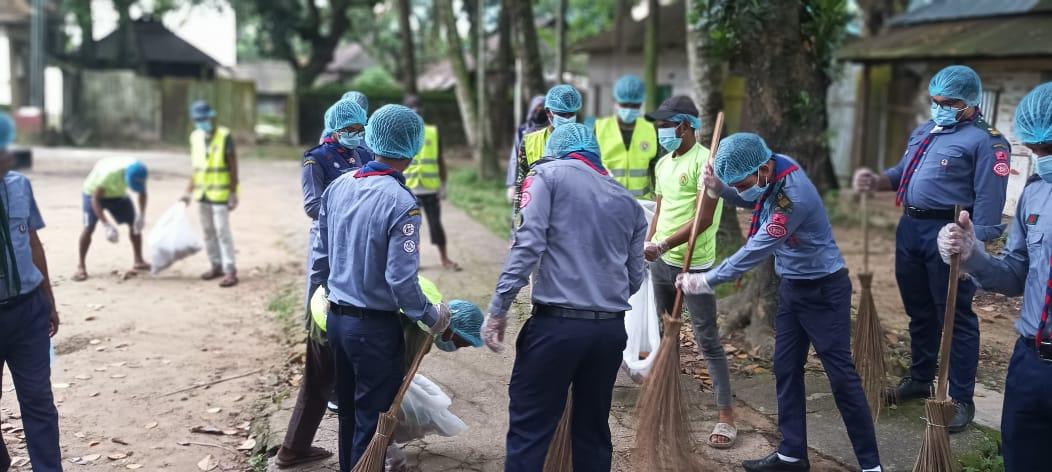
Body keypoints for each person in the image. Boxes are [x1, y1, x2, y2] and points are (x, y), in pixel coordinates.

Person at [678, 133, 882, 472]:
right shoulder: (772, 170)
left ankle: (871, 466)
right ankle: (792, 455)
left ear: (761, 169)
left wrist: (707, 280)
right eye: (736, 185)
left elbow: (756, 248)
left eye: (742, 184)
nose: (741, 190)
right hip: (793, 289)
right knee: (786, 369)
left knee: (842, 379)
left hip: (824, 292)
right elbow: (754, 200)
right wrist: (719, 188)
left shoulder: (793, 198)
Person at [482, 123, 648, 472]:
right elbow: (634, 278)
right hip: (609, 334)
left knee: (530, 431)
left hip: (556, 329)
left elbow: (527, 246)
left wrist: (498, 309)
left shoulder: (546, 176)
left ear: (555, 149)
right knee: (592, 432)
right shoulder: (628, 202)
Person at [852, 65, 1010, 432]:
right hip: (910, 228)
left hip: (949, 232)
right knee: (919, 310)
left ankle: (961, 399)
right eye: (935, 101)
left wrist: (973, 249)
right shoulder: (926, 130)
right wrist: (877, 180)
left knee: (955, 317)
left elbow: (990, 200)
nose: (940, 107)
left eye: (949, 103)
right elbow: (903, 173)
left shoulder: (987, 142)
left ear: (970, 101)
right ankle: (921, 379)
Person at [311, 104, 451, 471]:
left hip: (337, 321)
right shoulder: (401, 202)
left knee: (348, 414)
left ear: (371, 139)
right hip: (373, 330)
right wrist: (432, 317)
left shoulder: (339, 186)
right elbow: (401, 280)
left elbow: (320, 255)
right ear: (413, 148)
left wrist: (329, 293)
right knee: (372, 423)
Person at [936, 82, 1052, 471]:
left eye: (1050, 148)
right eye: (1037, 150)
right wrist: (973, 256)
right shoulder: (1035, 193)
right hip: (1031, 364)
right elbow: (1016, 274)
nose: (1043, 158)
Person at [274, 97, 373, 468]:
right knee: (321, 342)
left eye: (361, 127)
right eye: (351, 128)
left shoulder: (363, 153)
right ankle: (297, 447)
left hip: (357, 252)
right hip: (328, 254)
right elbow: (313, 206)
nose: (356, 134)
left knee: (337, 361)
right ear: (335, 128)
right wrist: (352, 207)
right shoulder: (316, 159)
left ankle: (297, 446)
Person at [641, 95, 736, 448]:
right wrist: (649, 245)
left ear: (684, 125)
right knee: (665, 333)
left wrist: (665, 244)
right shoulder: (663, 164)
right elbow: (660, 210)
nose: (661, 131)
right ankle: (667, 397)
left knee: (706, 339)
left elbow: (704, 218)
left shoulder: (707, 163)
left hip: (694, 266)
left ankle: (726, 416)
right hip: (661, 263)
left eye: (666, 125)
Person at [0, 112, 62, 472]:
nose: (7, 156)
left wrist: (48, 299)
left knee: (38, 399)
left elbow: (33, 243)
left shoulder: (20, 185)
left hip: (28, 310)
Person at [181, 100, 240, 288]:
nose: (201, 122)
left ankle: (230, 270)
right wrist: (187, 192)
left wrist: (233, 192)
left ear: (211, 117)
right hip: (202, 193)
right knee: (208, 232)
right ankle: (216, 265)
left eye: (204, 119)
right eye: (198, 120)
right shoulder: (195, 137)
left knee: (222, 231)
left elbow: (233, 166)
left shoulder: (224, 136)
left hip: (221, 194)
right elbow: (197, 168)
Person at [402, 95, 459, 271]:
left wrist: (444, 184)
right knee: (409, 228)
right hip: (409, 189)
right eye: (411, 107)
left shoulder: (432, 132)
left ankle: (445, 259)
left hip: (430, 188)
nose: (415, 111)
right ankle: (413, 262)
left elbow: (440, 159)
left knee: (436, 225)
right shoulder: (400, 133)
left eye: (417, 107)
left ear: (422, 110)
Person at [73, 156, 150, 281]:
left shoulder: (140, 171)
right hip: (92, 194)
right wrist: (106, 225)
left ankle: (139, 261)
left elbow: (142, 193)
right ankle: (81, 266)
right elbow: (95, 200)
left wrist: (141, 215)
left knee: (134, 223)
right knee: (89, 227)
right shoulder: (109, 175)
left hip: (118, 195)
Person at [511, 85, 583, 211]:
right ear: (549, 112)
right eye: (562, 114)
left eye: (571, 114)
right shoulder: (529, 142)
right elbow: (521, 183)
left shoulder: (585, 143)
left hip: (572, 213)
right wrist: (518, 218)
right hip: (537, 212)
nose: (567, 118)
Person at [594, 75, 659, 198]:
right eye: (625, 105)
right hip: (609, 202)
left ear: (641, 103)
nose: (629, 109)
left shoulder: (651, 129)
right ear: (616, 103)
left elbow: (658, 170)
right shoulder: (599, 128)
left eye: (634, 105)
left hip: (642, 204)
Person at [505, 95, 547, 203]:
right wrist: (512, 184)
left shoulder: (553, 130)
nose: (539, 110)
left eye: (542, 107)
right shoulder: (523, 130)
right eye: (537, 107)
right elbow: (515, 157)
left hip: (547, 179)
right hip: (526, 179)